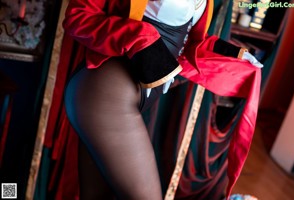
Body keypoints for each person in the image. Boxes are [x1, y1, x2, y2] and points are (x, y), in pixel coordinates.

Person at [63, 0, 262, 199]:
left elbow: (186, 42)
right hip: (106, 93)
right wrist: (143, 41)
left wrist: (234, 55)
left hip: (127, 96)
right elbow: (78, 17)